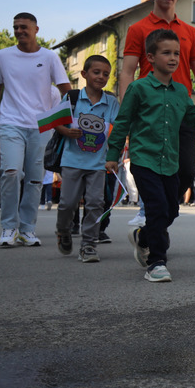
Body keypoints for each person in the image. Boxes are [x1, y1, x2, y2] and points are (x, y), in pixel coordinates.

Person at [105, 29, 195, 283]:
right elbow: (123, 121)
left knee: (171, 209)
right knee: (157, 208)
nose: (173, 58)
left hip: (169, 161)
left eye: (176, 54)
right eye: (166, 53)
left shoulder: (181, 92)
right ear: (150, 57)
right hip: (144, 160)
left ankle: (144, 237)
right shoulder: (138, 89)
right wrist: (113, 155)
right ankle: (156, 262)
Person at [118, 0, 195, 227]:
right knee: (150, 168)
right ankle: (152, 219)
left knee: (185, 170)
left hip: (182, 109)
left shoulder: (190, 32)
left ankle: (155, 217)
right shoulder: (137, 29)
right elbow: (127, 72)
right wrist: (126, 114)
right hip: (149, 109)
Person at [0, 12, 73, 247]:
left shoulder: (49, 57)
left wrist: (71, 119)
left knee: (35, 179)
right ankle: (8, 228)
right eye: (16, 27)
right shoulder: (2, 56)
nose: (19, 31)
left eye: (24, 27)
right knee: (11, 171)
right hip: (10, 122)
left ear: (36, 29)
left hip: (41, 125)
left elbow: (66, 89)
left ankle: (27, 229)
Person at [54, 56, 121, 263]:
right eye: (96, 72)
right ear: (84, 74)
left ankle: (89, 245)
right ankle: (63, 230)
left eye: (106, 74)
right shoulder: (72, 97)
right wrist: (66, 131)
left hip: (97, 164)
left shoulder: (111, 102)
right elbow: (56, 122)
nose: (101, 77)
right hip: (72, 160)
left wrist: (113, 157)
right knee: (67, 203)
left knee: (95, 203)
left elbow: (117, 131)